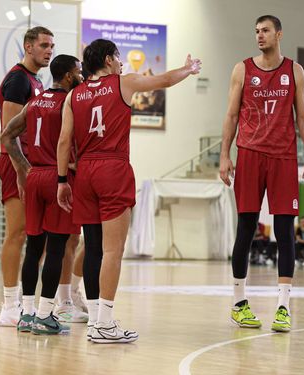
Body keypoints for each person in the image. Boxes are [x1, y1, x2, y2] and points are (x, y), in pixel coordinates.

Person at [56, 39, 201, 343]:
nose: (122, 63)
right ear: (109, 60)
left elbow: (63, 142)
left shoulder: (73, 96)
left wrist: (62, 181)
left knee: (93, 247)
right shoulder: (124, 83)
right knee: (113, 250)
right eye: (119, 58)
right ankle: (105, 323)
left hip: (84, 172)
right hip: (112, 167)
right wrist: (187, 69)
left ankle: (96, 318)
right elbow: (162, 80)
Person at [218, 15, 304, 333]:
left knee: (285, 231)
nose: (259, 36)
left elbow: (302, 116)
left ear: (279, 34)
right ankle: (239, 303)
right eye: (256, 31)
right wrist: (224, 154)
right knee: (246, 227)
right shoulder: (242, 69)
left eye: (265, 31)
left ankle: (283, 307)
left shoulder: (294, 71)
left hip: (284, 157)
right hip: (248, 154)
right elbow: (231, 114)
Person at [0, 54, 86, 334]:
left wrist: (25, 169)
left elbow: (6, 136)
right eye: (79, 72)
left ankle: (26, 314)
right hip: (57, 178)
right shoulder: (70, 102)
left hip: (35, 176)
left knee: (34, 247)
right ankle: (47, 315)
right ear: (69, 76)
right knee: (57, 249)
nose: (82, 76)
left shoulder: (35, 102)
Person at [0, 26, 53, 327]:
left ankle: (24, 302)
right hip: (16, 164)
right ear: (28, 46)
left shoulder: (37, 81)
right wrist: (21, 170)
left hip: (34, 164)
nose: (49, 50)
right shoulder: (18, 79)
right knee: (17, 232)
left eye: (52, 46)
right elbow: (9, 133)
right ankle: (8, 304)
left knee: (37, 237)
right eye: (44, 45)